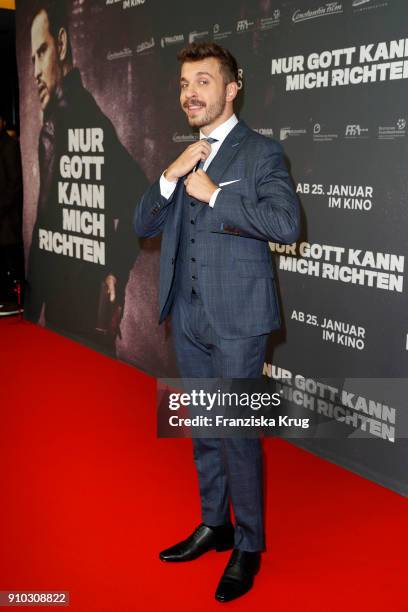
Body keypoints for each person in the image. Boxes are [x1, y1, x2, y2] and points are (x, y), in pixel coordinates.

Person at [134, 42, 300, 602]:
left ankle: (249, 543)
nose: (190, 94)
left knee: (238, 433)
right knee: (203, 429)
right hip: (187, 316)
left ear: (232, 88)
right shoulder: (184, 155)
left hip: (238, 319)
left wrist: (213, 197)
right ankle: (215, 523)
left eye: (203, 82)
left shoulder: (262, 153)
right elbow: (143, 221)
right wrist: (171, 174)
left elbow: (285, 223)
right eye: (184, 84)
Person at [26, 0, 147, 349]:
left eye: (43, 51)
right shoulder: (73, 119)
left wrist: (115, 270)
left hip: (77, 324)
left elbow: (142, 196)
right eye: (32, 58)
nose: (35, 70)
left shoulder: (74, 120)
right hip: (69, 319)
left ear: (62, 45)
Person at [0, 112, 23, 316]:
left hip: (7, 217)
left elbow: (15, 183)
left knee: (9, 257)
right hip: (4, 215)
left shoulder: (9, 145)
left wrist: (2, 207)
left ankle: (11, 300)